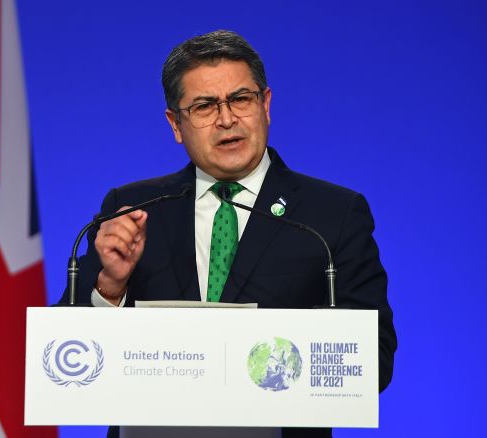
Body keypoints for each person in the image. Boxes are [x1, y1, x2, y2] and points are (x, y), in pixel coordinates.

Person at [60, 30, 396, 437]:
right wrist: (110, 287)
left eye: (240, 99)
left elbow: (374, 362)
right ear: (176, 124)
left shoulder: (332, 214)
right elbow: (65, 359)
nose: (226, 119)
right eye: (204, 106)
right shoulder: (134, 209)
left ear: (266, 104)